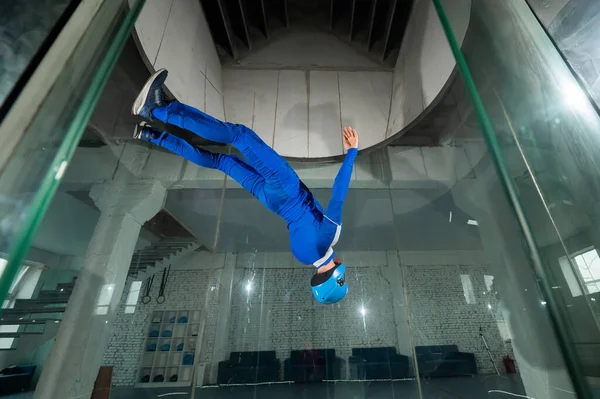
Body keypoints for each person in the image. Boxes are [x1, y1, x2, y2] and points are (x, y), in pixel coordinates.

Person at [131, 69, 359, 304]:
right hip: (273, 203)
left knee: (240, 136)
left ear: (338, 273)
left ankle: (157, 109)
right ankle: (150, 135)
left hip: (287, 189)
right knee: (222, 162)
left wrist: (352, 152)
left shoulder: (329, 238)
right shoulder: (302, 257)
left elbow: (339, 192)